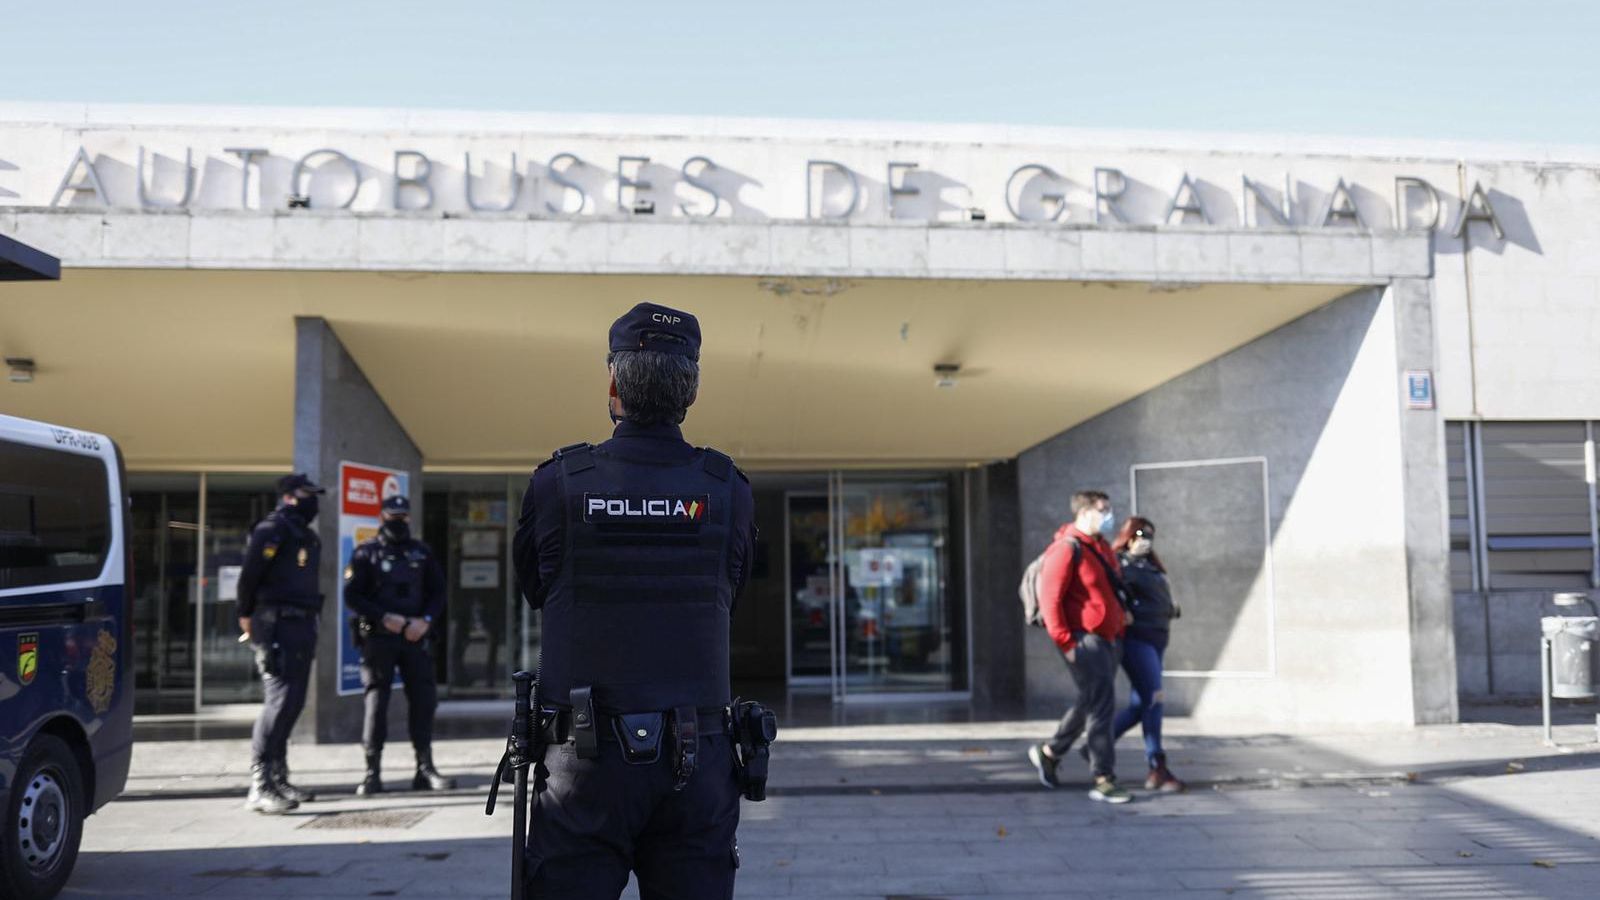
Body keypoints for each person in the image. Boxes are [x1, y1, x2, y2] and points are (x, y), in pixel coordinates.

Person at [511, 301, 762, 899]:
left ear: (613, 382)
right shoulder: (726, 489)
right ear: (691, 391)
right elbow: (732, 594)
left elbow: (534, 590)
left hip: (584, 767)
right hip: (696, 763)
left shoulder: (559, 483)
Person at [344, 494, 456, 795]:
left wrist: (426, 620)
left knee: (423, 702)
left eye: (403, 516)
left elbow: (438, 592)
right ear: (382, 517)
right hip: (379, 639)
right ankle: (372, 772)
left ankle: (425, 769)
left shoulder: (421, 552)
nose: (398, 521)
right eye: (393, 516)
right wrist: (384, 617)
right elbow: (352, 596)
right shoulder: (366, 554)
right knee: (376, 704)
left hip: (415, 637)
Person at [1025, 489, 1132, 804]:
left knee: (1091, 699)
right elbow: (1050, 599)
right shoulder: (1065, 549)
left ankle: (1051, 752)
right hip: (1083, 638)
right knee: (1102, 705)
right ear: (1084, 513)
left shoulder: (1099, 547)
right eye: (1103, 510)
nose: (1109, 516)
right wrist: (1066, 641)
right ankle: (1103, 777)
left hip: (1109, 638)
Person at [237, 473, 324, 815]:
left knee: (294, 701)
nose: (313, 500)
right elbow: (249, 576)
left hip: (301, 623)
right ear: (289, 496)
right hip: (275, 624)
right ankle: (259, 784)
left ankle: (278, 775)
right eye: (307, 493)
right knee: (279, 699)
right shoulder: (271, 529)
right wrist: (246, 615)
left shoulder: (306, 535)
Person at [1111, 516, 1186, 792]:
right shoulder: (1119, 564)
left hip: (1158, 636)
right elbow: (1111, 594)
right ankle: (1157, 767)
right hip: (1137, 639)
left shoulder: (1151, 564)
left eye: (1151, 535)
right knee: (1154, 698)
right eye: (1141, 533)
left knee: (1140, 704)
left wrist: (1170, 607)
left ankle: (1097, 746)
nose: (1146, 540)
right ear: (1129, 535)